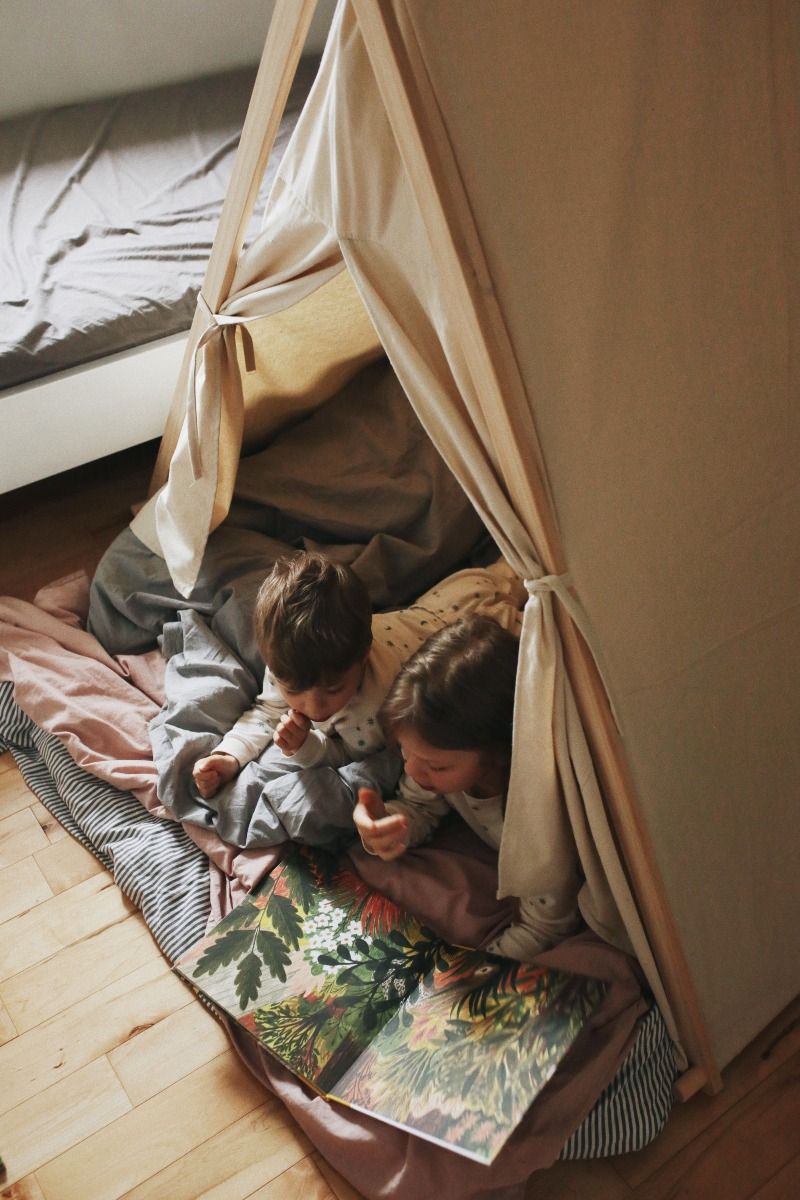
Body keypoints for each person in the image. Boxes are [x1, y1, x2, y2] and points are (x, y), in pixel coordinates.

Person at [192, 550, 525, 800]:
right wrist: (229, 755)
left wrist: (309, 748)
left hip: (477, 624)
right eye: (292, 689)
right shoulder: (291, 663)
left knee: (522, 575)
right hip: (437, 611)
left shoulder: (381, 704)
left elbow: (350, 754)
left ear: (364, 657)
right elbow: (266, 710)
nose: (313, 707)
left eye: (334, 688)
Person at [353, 615, 579, 961]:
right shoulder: (434, 752)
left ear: (497, 754)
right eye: (404, 752)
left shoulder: (537, 814)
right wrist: (389, 824)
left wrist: (472, 973)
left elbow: (546, 926)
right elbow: (419, 807)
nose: (412, 768)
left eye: (436, 765)